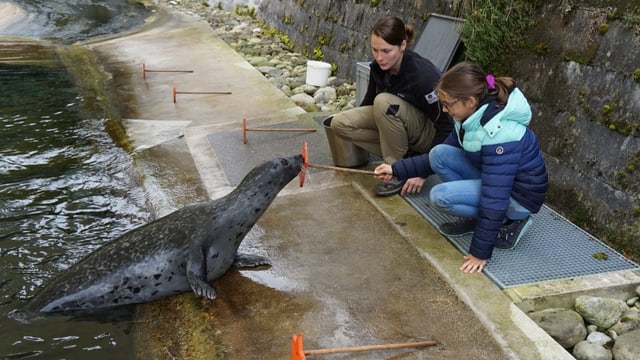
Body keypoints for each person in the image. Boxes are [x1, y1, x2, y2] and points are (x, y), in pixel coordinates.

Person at [373, 62, 548, 274]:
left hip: (518, 198)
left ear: (470, 101)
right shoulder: (470, 116)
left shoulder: (500, 134)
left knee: (440, 196)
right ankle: (479, 216)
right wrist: (396, 169)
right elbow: (437, 157)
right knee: (440, 154)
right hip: (497, 182)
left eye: (448, 104)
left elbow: (495, 196)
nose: (445, 110)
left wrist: (480, 253)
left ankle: (512, 222)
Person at [330, 15, 453, 197]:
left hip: (430, 135)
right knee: (339, 123)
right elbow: (367, 105)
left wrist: (423, 170)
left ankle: (397, 171)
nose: (380, 57)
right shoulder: (378, 68)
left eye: (386, 51)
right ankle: (406, 159)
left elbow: (447, 126)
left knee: (384, 102)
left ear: (402, 46)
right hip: (403, 128)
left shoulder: (423, 77)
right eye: (375, 50)